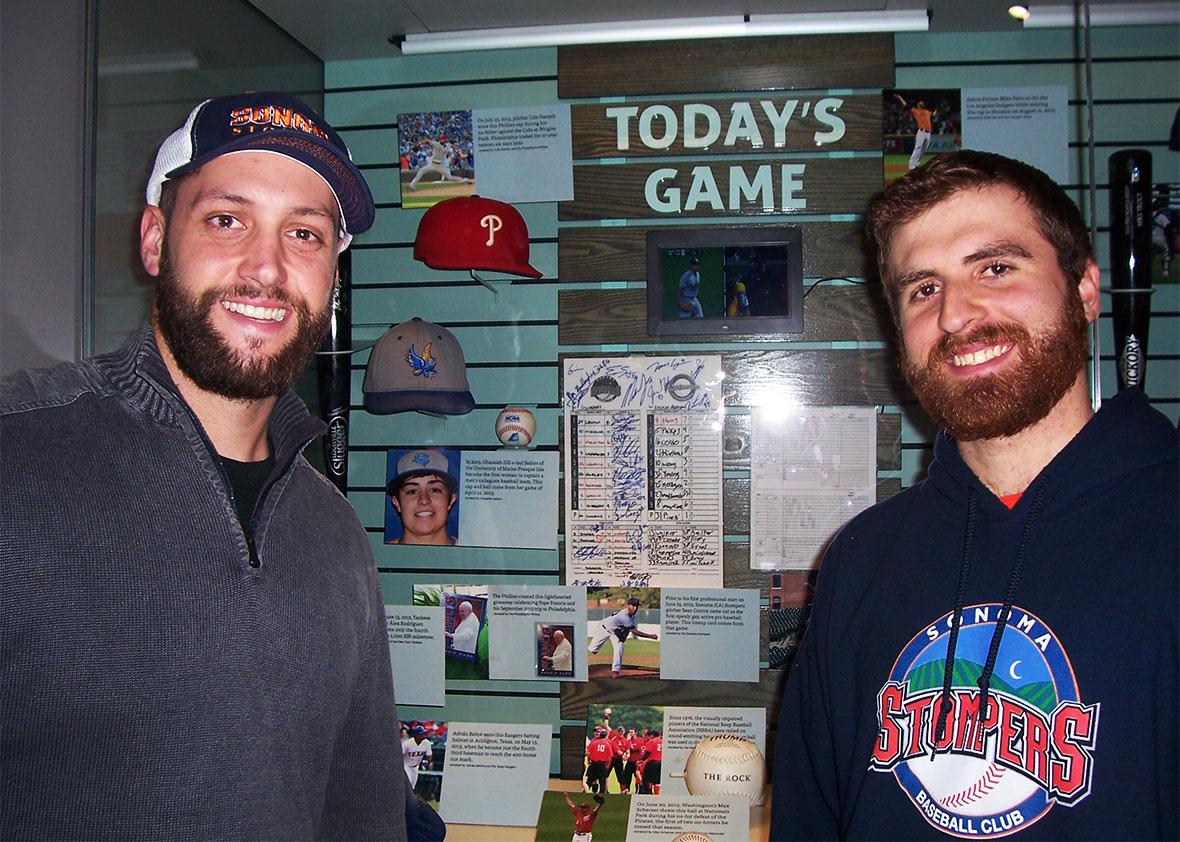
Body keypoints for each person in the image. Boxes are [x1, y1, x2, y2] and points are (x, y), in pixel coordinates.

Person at [0, 92, 407, 838]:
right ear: (155, 239)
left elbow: (364, 809)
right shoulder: (16, 463)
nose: (267, 267)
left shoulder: (333, 531)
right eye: (227, 220)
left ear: (333, 280)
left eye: (306, 234)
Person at [771, 150, 1178, 839]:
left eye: (994, 267)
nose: (957, 315)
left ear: (1084, 289)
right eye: (923, 289)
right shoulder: (863, 559)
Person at [388, 448, 459, 545]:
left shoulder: (470, 554)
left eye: (434, 490)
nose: (424, 500)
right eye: (412, 491)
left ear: (451, 500)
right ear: (397, 503)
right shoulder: (378, 554)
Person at [587, 596, 659, 677]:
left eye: (637, 606)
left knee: (619, 647)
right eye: (633, 605)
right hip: (604, 629)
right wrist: (650, 636)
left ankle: (615, 670)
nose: (635, 608)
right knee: (593, 651)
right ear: (628, 606)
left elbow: (628, 629)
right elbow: (635, 631)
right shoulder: (624, 616)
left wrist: (623, 637)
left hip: (614, 632)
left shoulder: (633, 616)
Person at [407, 135, 472, 191]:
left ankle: (466, 180)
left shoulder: (447, 145)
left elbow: (453, 146)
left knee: (450, 178)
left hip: (441, 166)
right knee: (421, 171)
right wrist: (419, 143)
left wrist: (459, 151)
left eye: (443, 139)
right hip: (432, 164)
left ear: (445, 139)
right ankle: (412, 185)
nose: (441, 140)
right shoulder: (436, 143)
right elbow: (427, 140)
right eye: (441, 139)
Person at [894, 92, 938, 170]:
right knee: (918, 148)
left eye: (922, 103)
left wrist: (936, 111)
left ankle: (917, 163)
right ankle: (911, 165)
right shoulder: (916, 111)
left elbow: (934, 114)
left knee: (924, 149)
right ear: (918, 104)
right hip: (921, 132)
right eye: (920, 102)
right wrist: (899, 97)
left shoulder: (927, 112)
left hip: (928, 133)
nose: (921, 103)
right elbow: (906, 105)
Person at [401, 724, 434, 791]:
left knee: (413, 786)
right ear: (416, 735)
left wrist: (427, 761)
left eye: (424, 733)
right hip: (406, 765)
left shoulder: (426, 743)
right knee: (408, 783)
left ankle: (408, 800)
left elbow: (429, 755)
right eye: (421, 734)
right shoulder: (407, 743)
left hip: (416, 766)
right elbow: (399, 755)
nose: (423, 735)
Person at [585, 726, 614, 794]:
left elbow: (589, 753)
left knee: (589, 780)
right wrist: (607, 765)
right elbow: (609, 757)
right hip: (602, 764)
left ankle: (585, 792)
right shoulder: (607, 744)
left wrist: (589, 761)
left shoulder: (594, 743)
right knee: (602, 781)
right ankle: (601, 794)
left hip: (594, 763)